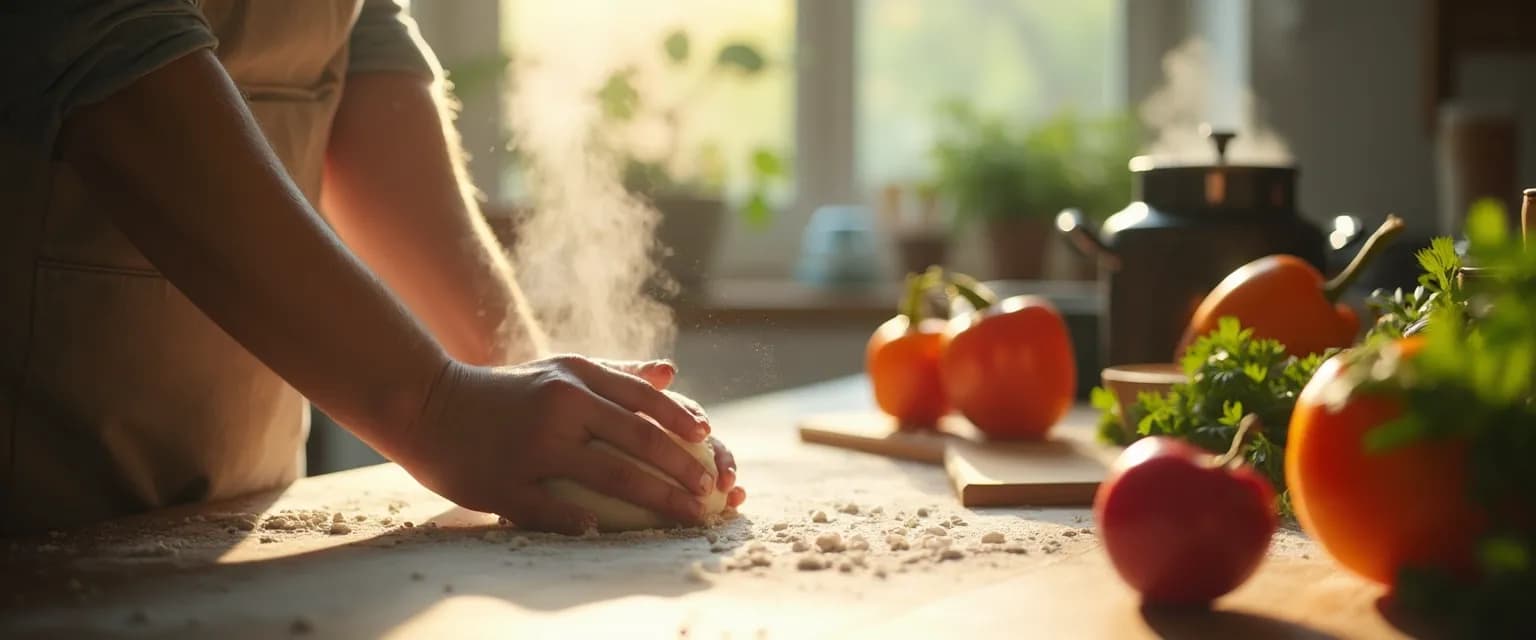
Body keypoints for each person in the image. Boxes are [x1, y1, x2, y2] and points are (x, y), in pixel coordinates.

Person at [0, 0, 744, 536]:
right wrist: (438, 408)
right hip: (40, 502)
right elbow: (105, 41)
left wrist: (525, 381)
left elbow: (358, 42)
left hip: (235, 501)